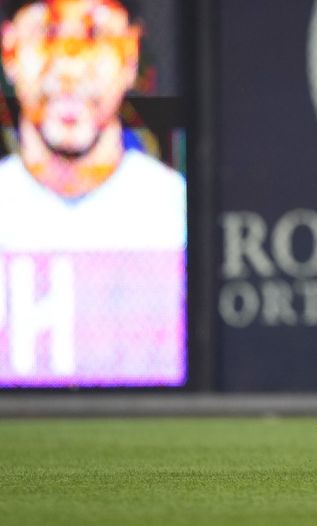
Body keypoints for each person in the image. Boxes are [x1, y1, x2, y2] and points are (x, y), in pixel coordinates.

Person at [0, 0, 185, 385]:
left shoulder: (174, 209)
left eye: (95, 34)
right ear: (10, 49)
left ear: (131, 53)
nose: (69, 67)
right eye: (46, 33)